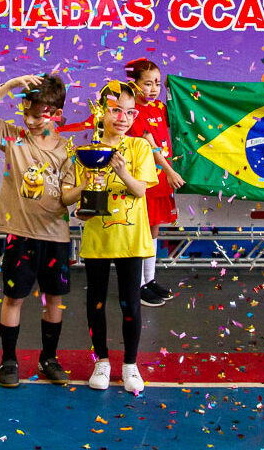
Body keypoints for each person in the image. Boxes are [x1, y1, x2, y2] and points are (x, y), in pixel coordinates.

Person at [0, 73, 76, 388]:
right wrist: (10, 85)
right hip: (19, 233)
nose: (30, 121)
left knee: (54, 300)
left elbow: (67, 197)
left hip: (56, 237)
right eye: (26, 113)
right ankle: (8, 360)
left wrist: (89, 186)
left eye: (38, 116)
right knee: (13, 298)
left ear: (56, 114)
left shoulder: (68, 150)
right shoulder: (14, 137)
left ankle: (49, 358)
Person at [63, 81, 157, 394]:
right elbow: (80, 202)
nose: (122, 118)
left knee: (131, 304)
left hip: (131, 239)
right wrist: (87, 192)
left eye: (130, 112)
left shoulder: (140, 147)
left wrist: (121, 171)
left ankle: (130, 365)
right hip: (98, 239)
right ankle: (101, 361)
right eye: (116, 110)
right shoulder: (87, 151)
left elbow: (140, 190)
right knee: (96, 302)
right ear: (101, 111)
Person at [124, 58, 184, 307]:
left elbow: (180, 112)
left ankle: (149, 280)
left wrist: (173, 88)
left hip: (160, 182)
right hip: (144, 181)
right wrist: (169, 171)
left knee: (154, 230)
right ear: (134, 84)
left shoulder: (159, 107)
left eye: (157, 83)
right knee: (140, 232)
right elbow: (150, 146)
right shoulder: (132, 113)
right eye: (147, 83)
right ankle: (137, 285)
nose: (153, 89)